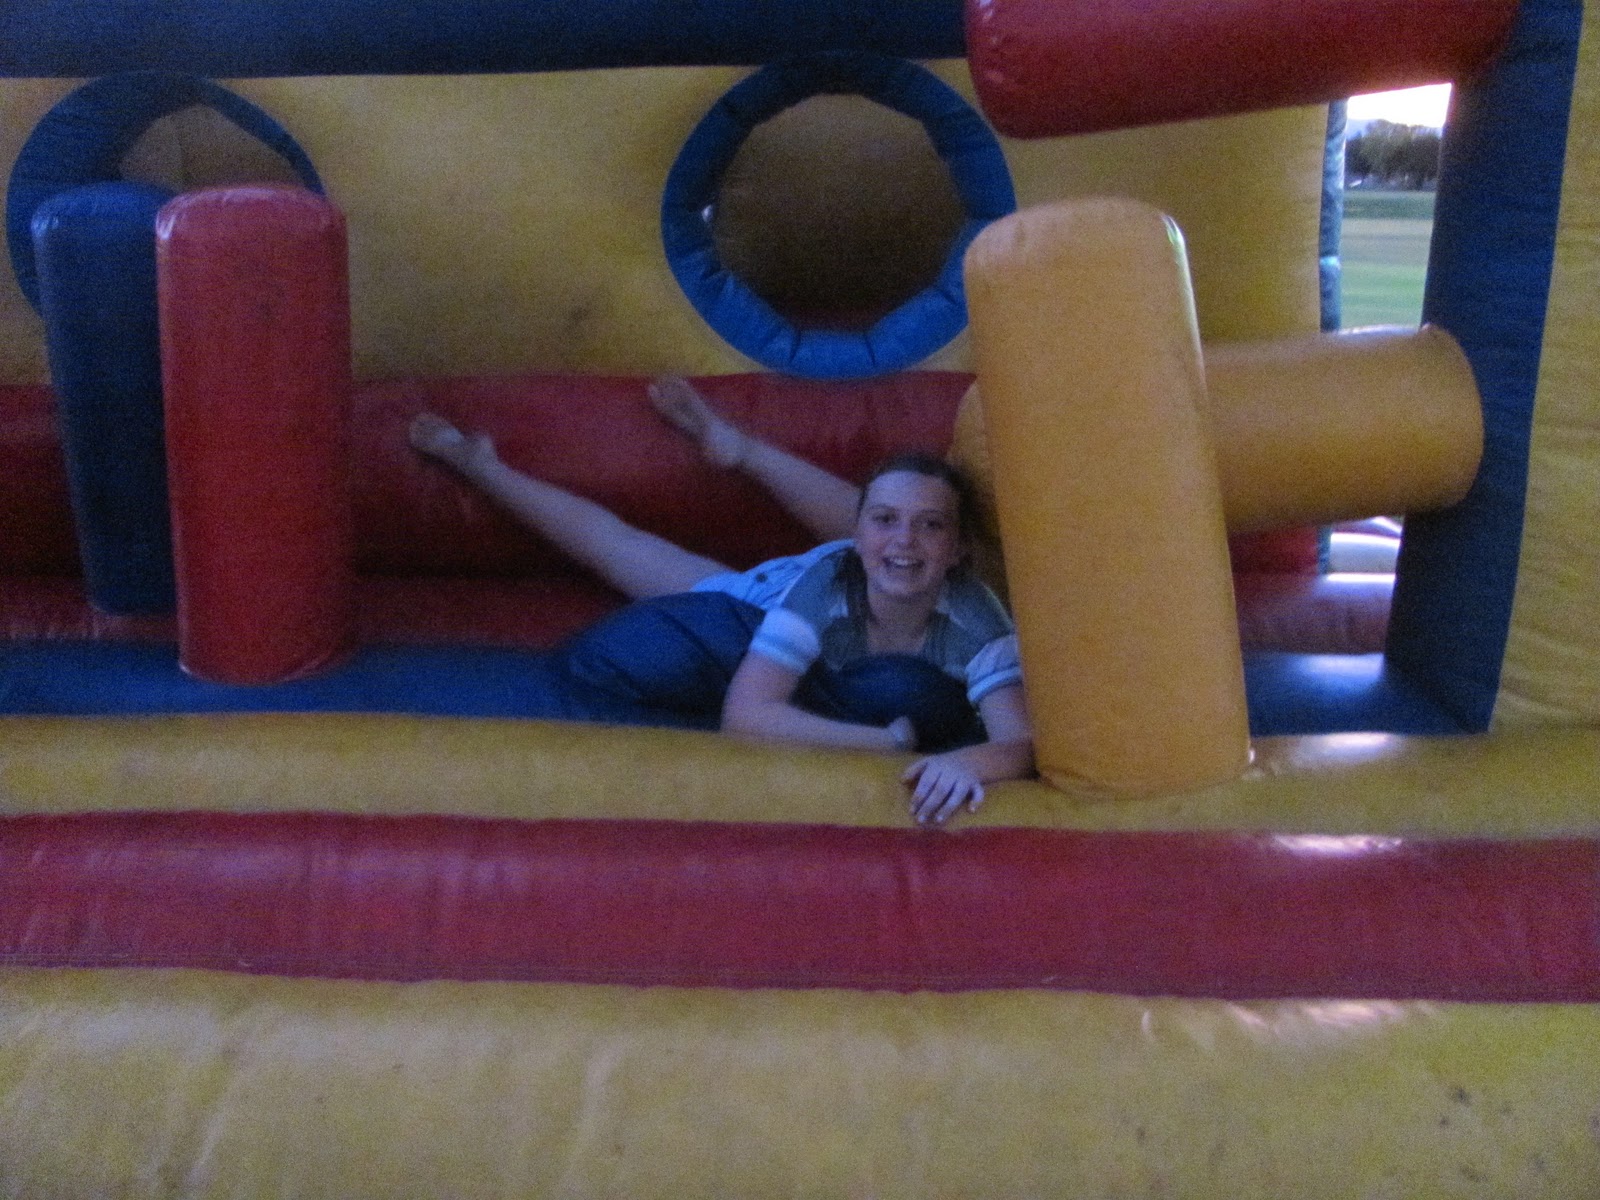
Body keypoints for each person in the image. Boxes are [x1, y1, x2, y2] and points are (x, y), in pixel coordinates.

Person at [409, 375, 1033, 824]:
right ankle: (483, 465)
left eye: (934, 528)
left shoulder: (974, 616)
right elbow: (748, 714)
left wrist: (969, 765)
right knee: (629, 553)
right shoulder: (825, 586)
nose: (908, 539)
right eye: (886, 523)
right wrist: (888, 744)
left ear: (960, 550)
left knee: (901, 530)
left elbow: (1019, 742)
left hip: (864, 595)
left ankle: (739, 449)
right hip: (765, 596)